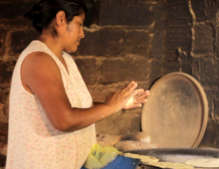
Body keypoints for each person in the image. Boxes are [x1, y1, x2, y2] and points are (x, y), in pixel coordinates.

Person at [5, 0, 149, 169]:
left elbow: (78, 108)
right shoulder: (38, 60)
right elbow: (65, 120)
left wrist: (119, 104)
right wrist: (111, 107)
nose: (82, 33)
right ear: (60, 19)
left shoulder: (65, 59)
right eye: (79, 24)